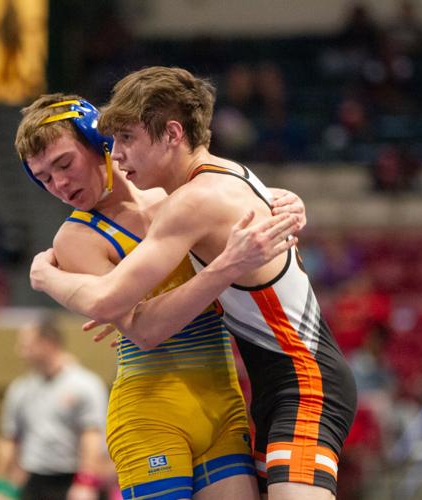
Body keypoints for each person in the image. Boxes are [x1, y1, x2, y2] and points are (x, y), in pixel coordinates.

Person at [29, 67, 358, 500]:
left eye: (125, 139)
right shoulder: (224, 177)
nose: (119, 152)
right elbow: (129, 315)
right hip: (216, 396)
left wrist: (45, 275)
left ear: (170, 134)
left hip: (288, 385)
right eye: (43, 178)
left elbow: (116, 307)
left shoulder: (184, 201)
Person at [0, 314, 110, 500]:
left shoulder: (86, 385)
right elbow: (9, 440)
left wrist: (86, 482)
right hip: (35, 480)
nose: (20, 351)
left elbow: (92, 437)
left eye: (26, 345)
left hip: (71, 480)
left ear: (48, 344)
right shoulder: (20, 390)